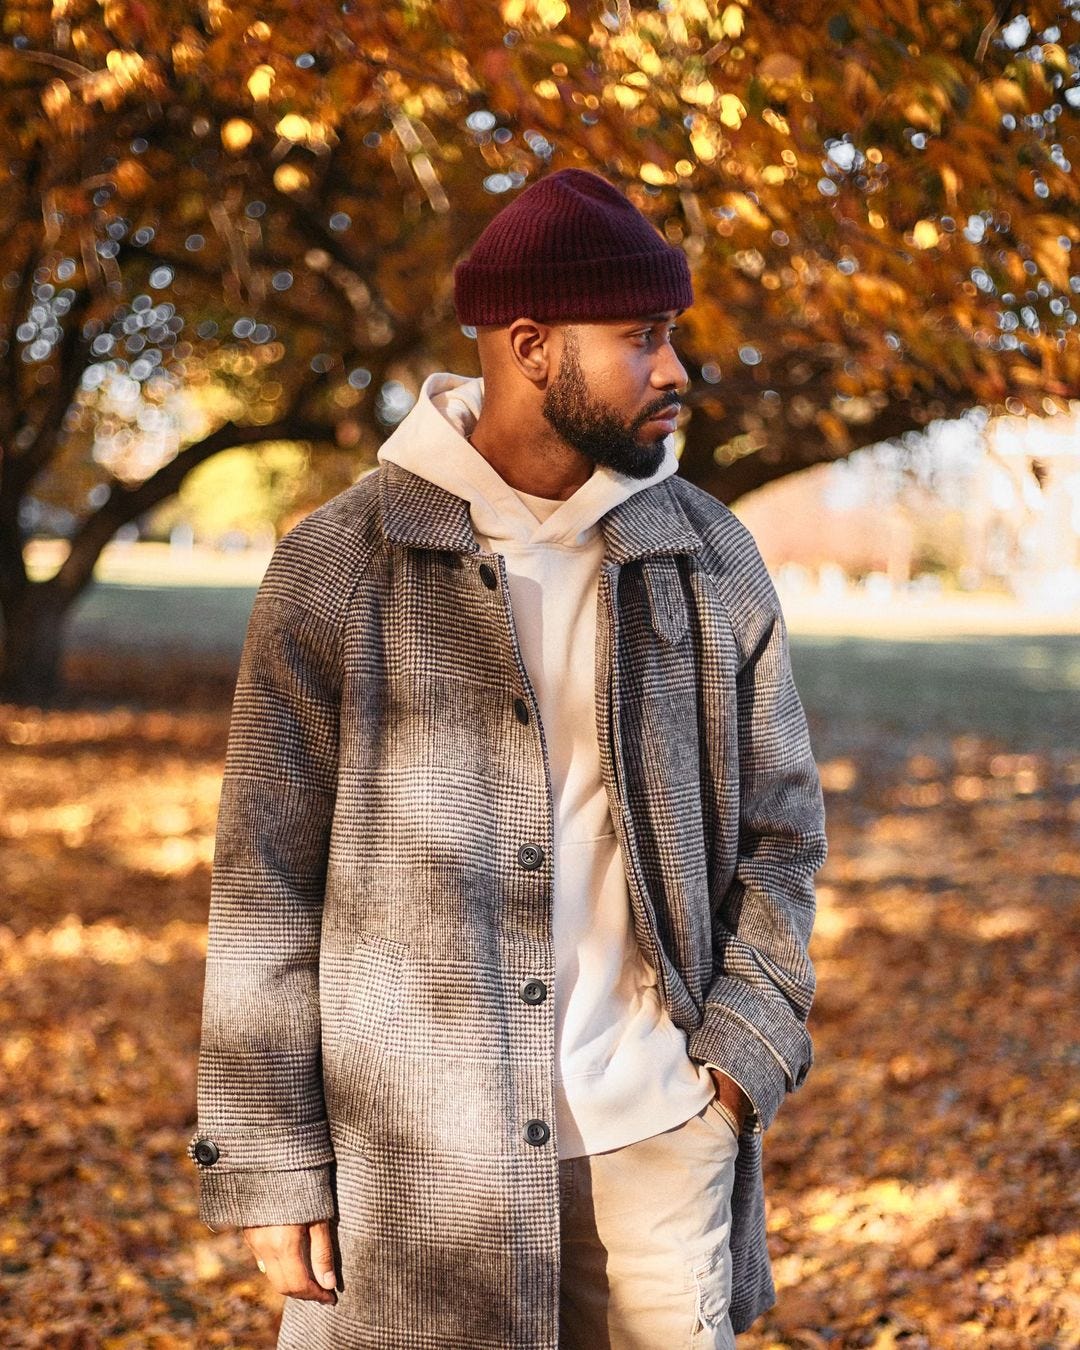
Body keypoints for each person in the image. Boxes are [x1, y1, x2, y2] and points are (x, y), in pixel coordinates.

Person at [188, 168, 827, 1349]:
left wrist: (739, 1064)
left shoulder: (708, 556)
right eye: (644, 339)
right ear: (532, 347)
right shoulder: (338, 565)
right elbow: (264, 877)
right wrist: (275, 1153)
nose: (678, 370)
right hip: (415, 1179)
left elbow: (785, 834)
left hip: (658, 1153)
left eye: (671, 335)